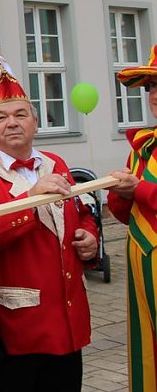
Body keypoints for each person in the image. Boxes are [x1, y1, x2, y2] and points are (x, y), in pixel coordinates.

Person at [0, 47, 98, 392]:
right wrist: (30, 201)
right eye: (1, 117)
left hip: (68, 320)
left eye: (21, 114)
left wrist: (89, 236)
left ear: (35, 123)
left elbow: (82, 211)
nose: (12, 123)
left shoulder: (56, 162)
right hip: (16, 325)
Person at [105, 44, 157, 392]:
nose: (155, 94)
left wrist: (138, 189)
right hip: (142, 263)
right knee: (146, 350)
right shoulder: (143, 147)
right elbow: (127, 215)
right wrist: (121, 193)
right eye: (151, 87)